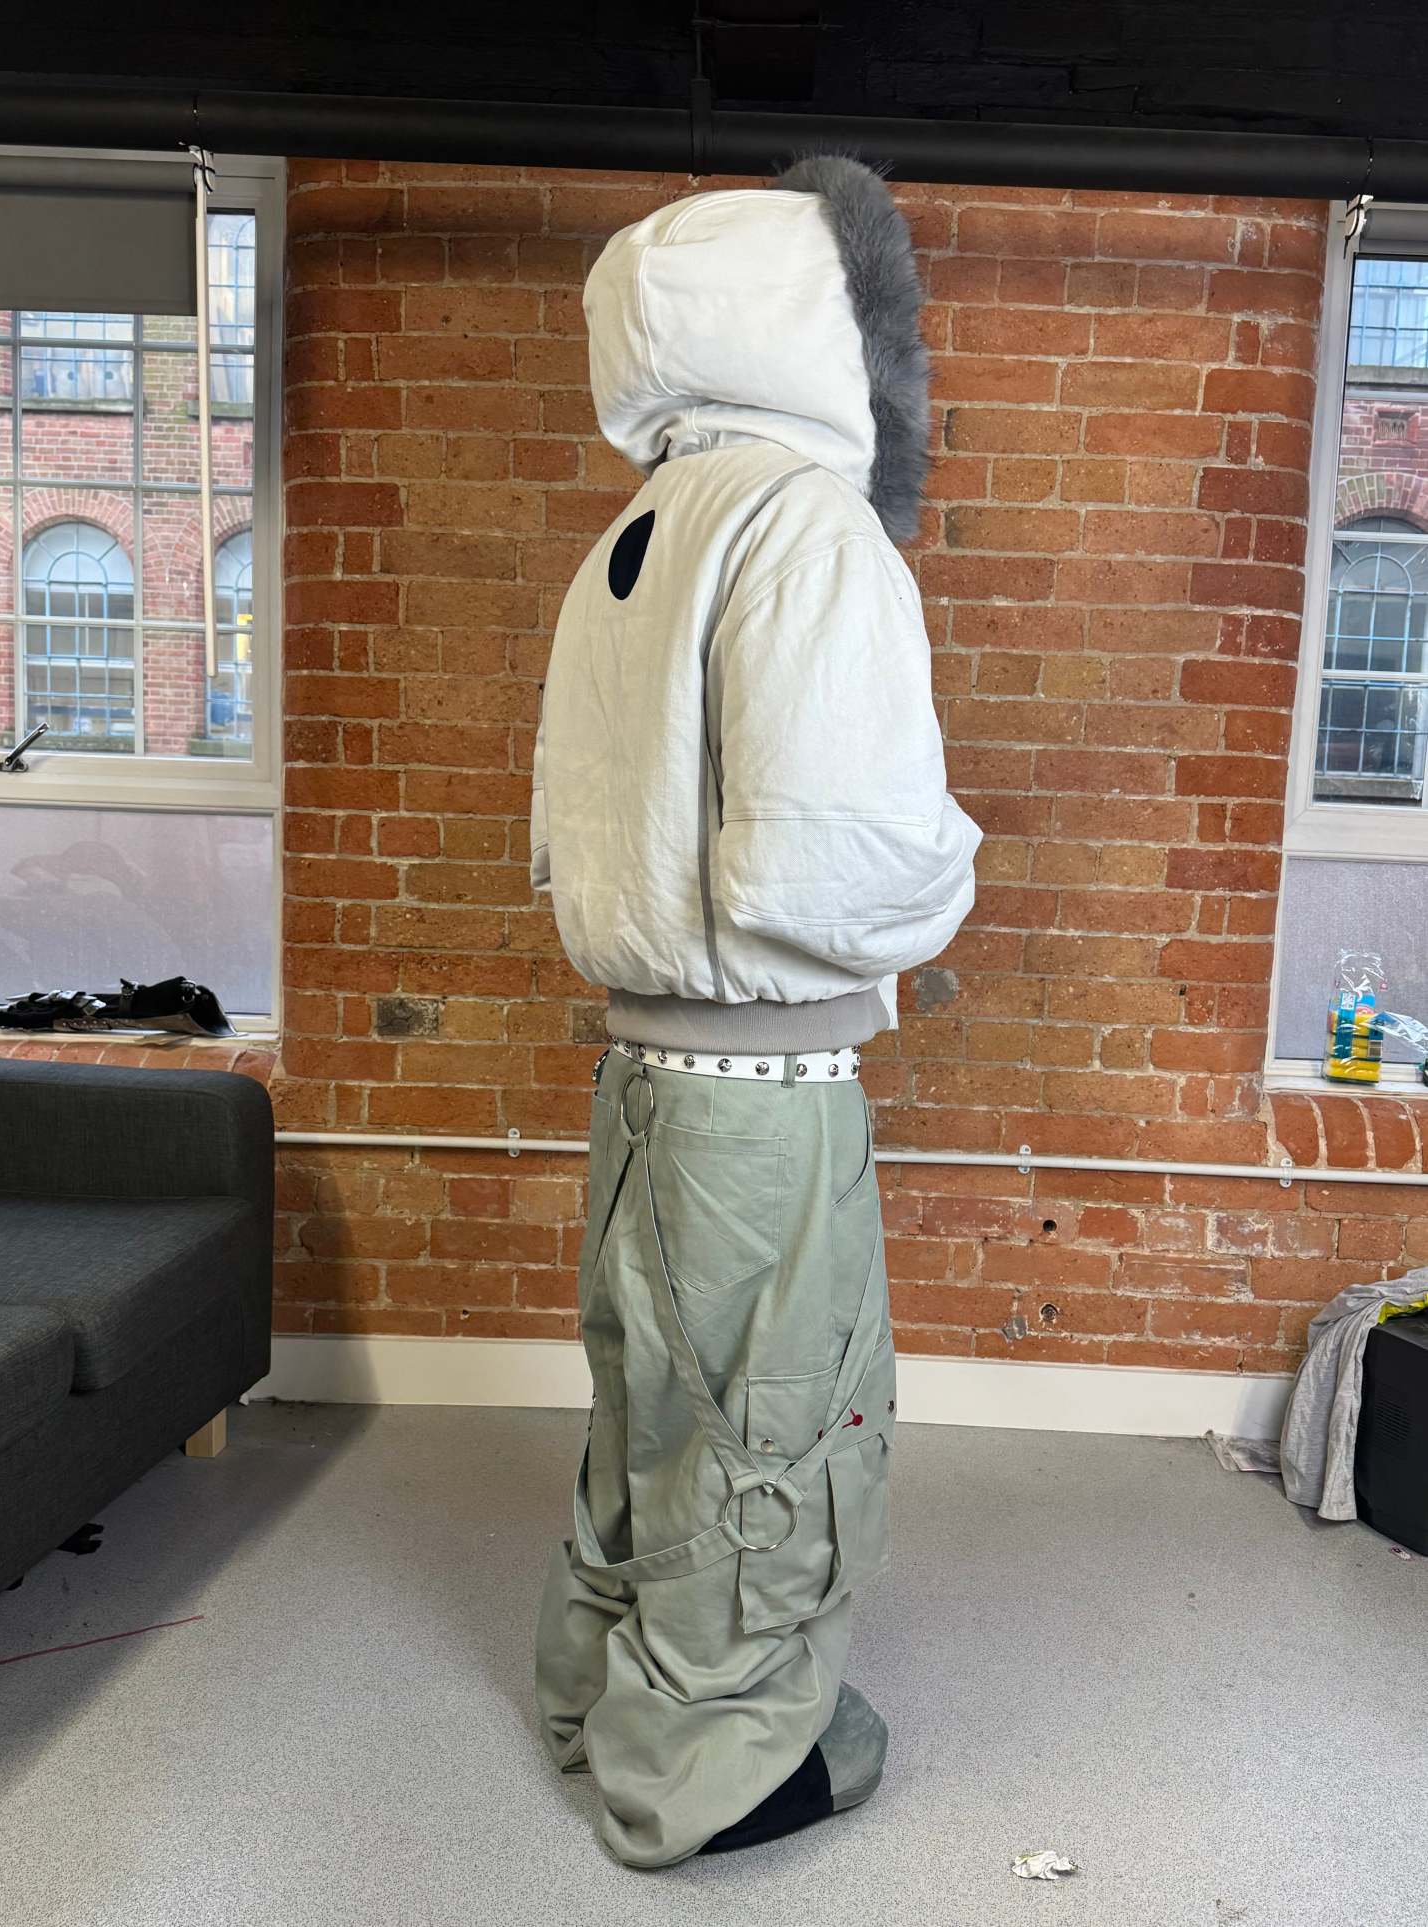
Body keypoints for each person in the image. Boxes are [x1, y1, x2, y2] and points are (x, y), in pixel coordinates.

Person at [529, 153, 981, 1868]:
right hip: (758, 1096)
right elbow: (827, 865)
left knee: (656, 1416)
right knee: (773, 1425)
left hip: (644, 1081)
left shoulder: (634, 531)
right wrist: (953, 871)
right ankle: (708, 1771)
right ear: (826, 320)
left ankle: (599, 1697)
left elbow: (565, 837)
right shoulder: (806, 523)